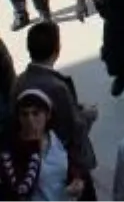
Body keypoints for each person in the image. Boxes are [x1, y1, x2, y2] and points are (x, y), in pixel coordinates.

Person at [11, 23, 96, 196]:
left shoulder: (19, 82)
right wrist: (88, 115)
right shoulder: (58, 87)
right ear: (57, 50)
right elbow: (74, 128)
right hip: (67, 164)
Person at [0, 88, 85, 200]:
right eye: (24, 114)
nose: (30, 120)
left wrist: (76, 180)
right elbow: (18, 188)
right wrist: (32, 148)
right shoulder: (10, 148)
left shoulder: (60, 140)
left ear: (47, 115)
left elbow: (73, 167)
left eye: (36, 113)